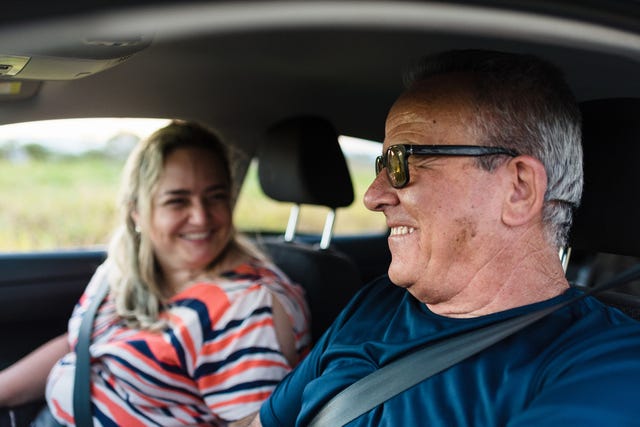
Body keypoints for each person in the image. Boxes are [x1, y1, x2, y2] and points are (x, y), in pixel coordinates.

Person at [251, 49, 640, 426]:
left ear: (519, 189)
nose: (373, 195)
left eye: (405, 161)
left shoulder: (609, 365)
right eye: (382, 163)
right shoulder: (376, 303)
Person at [0, 120, 311, 426]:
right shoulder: (121, 267)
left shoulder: (249, 306)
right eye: (177, 201)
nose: (201, 217)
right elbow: (83, 345)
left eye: (215, 196)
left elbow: (255, 422)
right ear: (138, 211)